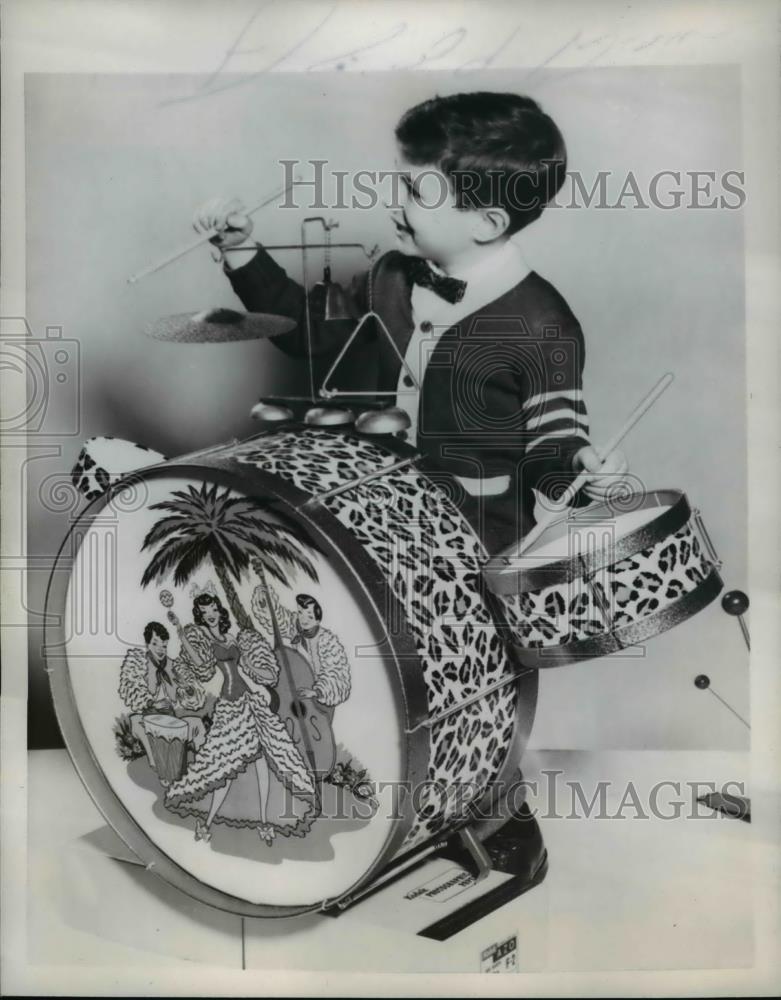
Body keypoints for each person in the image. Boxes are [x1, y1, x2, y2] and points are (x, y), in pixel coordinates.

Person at [192, 91, 628, 554]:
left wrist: (583, 466)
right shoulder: (390, 277)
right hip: (379, 522)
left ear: (487, 222)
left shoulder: (545, 323)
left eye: (416, 192)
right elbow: (305, 329)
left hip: (477, 546)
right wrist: (240, 250)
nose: (393, 203)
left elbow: (553, 440)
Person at [164, 589, 316, 845]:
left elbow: (246, 666)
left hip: (247, 697)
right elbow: (200, 662)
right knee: (225, 765)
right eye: (204, 612)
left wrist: (261, 677)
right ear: (200, 615)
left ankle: (265, 821)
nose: (210, 615)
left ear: (219, 609)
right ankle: (208, 821)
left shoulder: (231, 637)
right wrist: (180, 631)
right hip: (230, 702)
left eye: (213, 609)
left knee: (262, 764)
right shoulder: (204, 639)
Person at [118, 621, 207, 774]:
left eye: (164, 646)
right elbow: (132, 693)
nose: (160, 649)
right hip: (148, 719)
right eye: (155, 644)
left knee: (196, 723)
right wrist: (151, 703)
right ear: (147, 644)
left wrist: (187, 689)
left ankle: (204, 765)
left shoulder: (174, 666)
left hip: (171, 721)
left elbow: (193, 699)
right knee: (135, 720)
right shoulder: (139, 664)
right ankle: (156, 764)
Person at [251, 582, 351, 710]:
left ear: (317, 619)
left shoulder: (327, 640)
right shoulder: (295, 626)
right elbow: (279, 619)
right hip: (298, 693)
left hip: (319, 702)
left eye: (309, 615)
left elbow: (338, 674)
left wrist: (316, 692)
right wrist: (265, 603)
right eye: (300, 613)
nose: (304, 619)